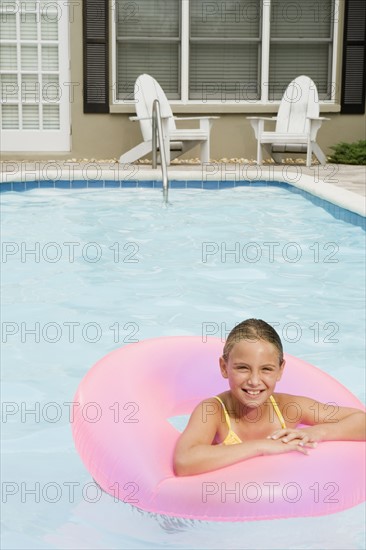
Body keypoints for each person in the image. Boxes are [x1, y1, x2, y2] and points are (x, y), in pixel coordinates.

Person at [173, 319, 366, 476]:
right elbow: (184, 462)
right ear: (224, 367)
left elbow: (361, 420)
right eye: (242, 368)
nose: (254, 381)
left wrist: (317, 433)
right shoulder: (213, 411)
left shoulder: (289, 408)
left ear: (280, 370)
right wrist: (262, 446)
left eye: (266, 369)